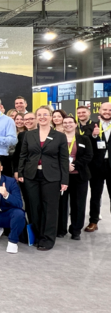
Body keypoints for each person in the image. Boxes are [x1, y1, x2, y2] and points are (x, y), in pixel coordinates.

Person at [18, 106, 69, 251]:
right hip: (31, 175)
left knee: (50, 208)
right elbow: (23, 155)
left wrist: (65, 180)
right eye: (39, 115)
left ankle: (48, 239)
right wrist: (20, 173)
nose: (42, 117)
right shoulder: (29, 135)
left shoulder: (59, 136)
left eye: (45, 114)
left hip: (52, 176)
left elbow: (64, 159)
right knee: (34, 207)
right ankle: (38, 235)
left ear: (51, 116)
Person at [57, 116, 93, 240]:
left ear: (75, 124)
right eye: (65, 123)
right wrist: (64, 166)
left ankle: (76, 230)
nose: (67, 125)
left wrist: (75, 165)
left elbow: (89, 156)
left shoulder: (84, 139)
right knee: (61, 204)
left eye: (70, 122)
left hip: (79, 176)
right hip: (62, 177)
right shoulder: (58, 139)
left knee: (78, 204)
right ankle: (61, 229)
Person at [84, 102, 111, 233]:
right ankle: (93, 221)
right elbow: (86, 142)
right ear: (99, 110)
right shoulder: (91, 126)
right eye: (104, 109)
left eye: (110, 110)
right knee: (95, 196)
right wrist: (94, 135)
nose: (107, 112)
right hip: (97, 166)